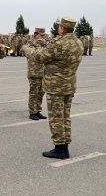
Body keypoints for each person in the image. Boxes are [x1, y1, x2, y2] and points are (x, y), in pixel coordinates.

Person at [22, 17, 83, 159]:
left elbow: (39, 56)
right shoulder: (78, 42)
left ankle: (59, 149)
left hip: (56, 86)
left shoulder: (58, 43)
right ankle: (65, 147)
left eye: (59, 26)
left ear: (62, 28)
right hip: (69, 85)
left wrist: (26, 48)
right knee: (65, 117)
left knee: (56, 117)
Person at [24, 28, 48, 121]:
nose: (43, 37)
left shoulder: (45, 45)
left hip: (43, 73)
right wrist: (41, 44)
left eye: (44, 35)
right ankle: (32, 112)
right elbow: (33, 54)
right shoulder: (30, 45)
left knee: (41, 93)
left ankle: (38, 110)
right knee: (34, 93)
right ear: (35, 35)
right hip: (34, 73)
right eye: (41, 35)